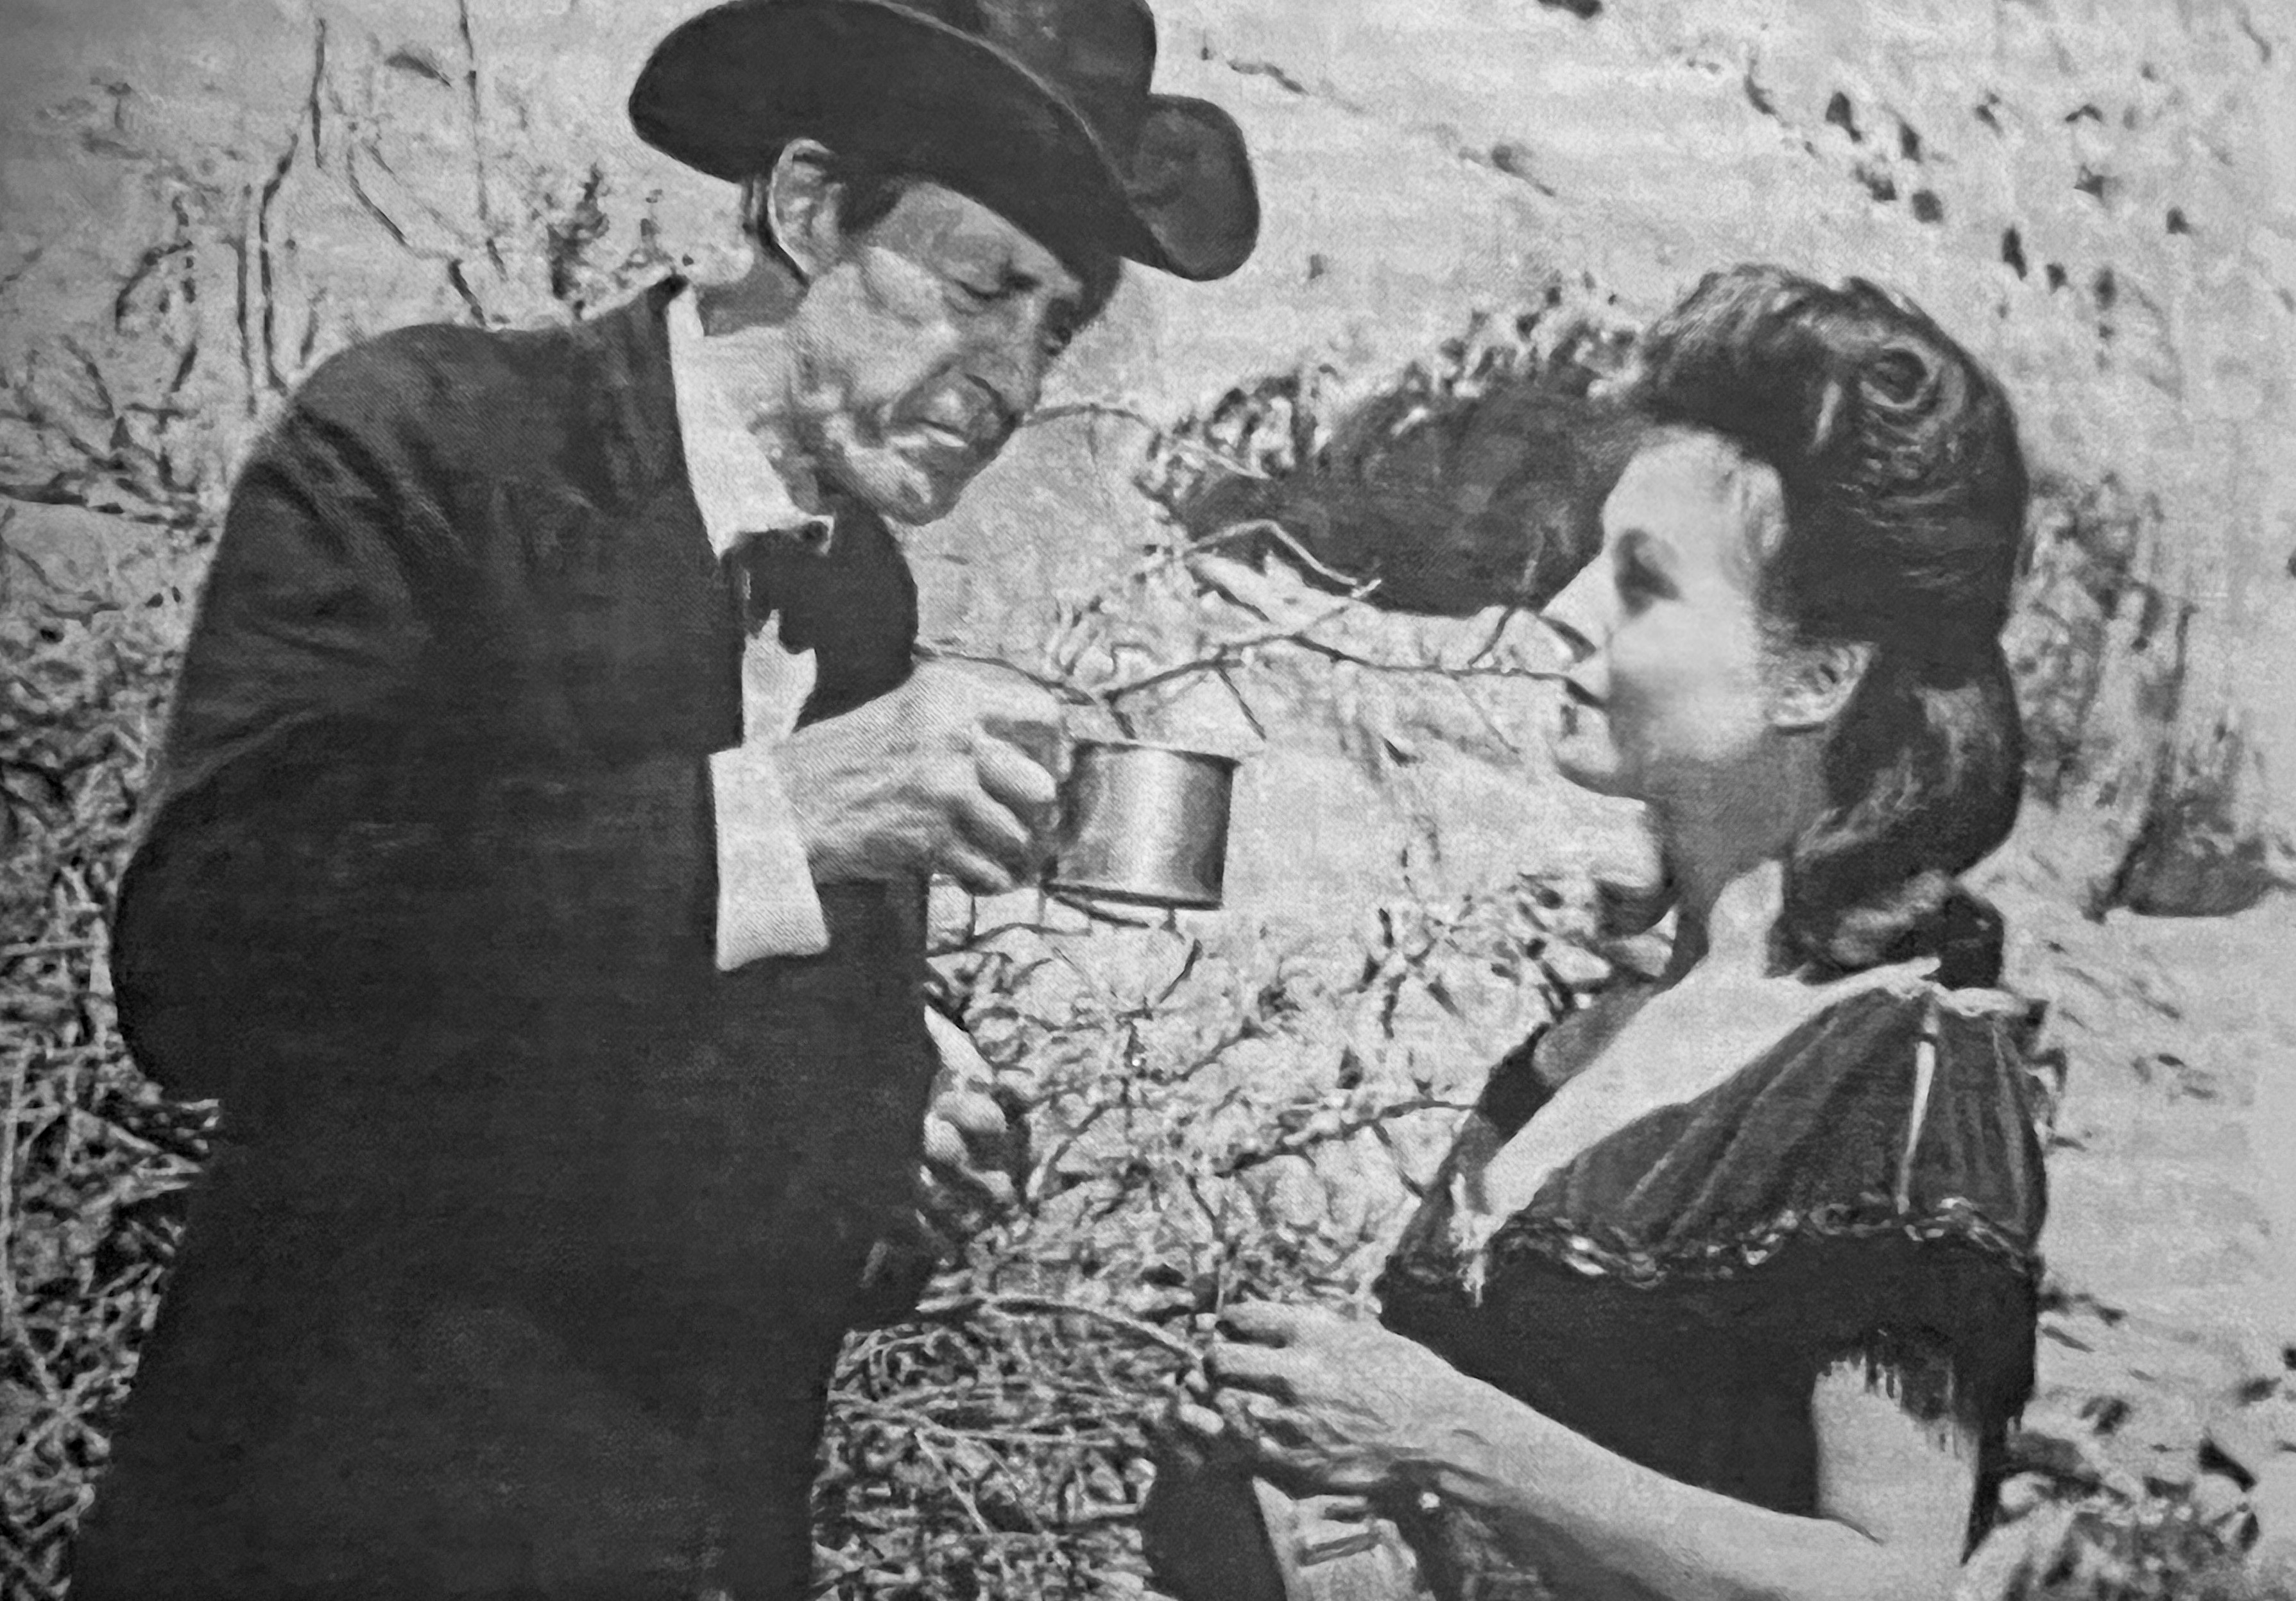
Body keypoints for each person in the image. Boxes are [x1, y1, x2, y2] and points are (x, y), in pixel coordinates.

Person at [70, 2, 1256, 1597]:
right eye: (984, 287)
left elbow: (649, 1063)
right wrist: (782, 816)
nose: (1013, 377)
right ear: (808, 207)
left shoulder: (860, 600)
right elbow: (211, 955)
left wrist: (888, 1138)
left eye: (1057, 328)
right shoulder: (433, 439)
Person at [1152, 264, 2047, 1601]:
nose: (1562, 612)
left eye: (1639, 582)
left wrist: (1444, 1439)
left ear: (1814, 677)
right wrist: (1273, 1493)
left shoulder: (1897, 1073)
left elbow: (1887, 1582)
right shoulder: (1579, 1046)